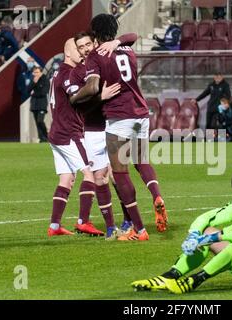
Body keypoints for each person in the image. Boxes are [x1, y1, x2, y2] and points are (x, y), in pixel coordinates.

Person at [70, 14, 169, 240]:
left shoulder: (97, 56)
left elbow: (93, 86)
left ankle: (140, 230)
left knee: (120, 172)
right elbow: (133, 36)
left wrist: (75, 97)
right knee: (141, 160)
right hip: (141, 114)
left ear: (94, 32)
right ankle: (156, 195)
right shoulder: (127, 50)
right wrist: (118, 41)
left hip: (119, 116)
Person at [47, 38, 120, 236]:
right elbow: (78, 98)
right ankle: (84, 221)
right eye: (76, 50)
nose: (81, 53)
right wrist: (100, 97)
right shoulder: (67, 74)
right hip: (70, 133)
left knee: (67, 178)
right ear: (67, 53)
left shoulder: (56, 73)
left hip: (56, 132)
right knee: (89, 173)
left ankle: (54, 226)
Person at [72, 31, 138, 240]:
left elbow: (132, 36)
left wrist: (116, 41)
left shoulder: (106, 61)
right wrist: (101, 97)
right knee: (100, 178)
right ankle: (110, 227)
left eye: (87, 44)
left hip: (114, 125)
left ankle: (129, 220)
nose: (85, 49)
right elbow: (78, 107)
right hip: (92, 130)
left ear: (94, 42)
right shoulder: (76, 74)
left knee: (119, 176)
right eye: (80, 46)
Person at [28, 66, 49, 142]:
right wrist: (34, 83)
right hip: (34, 104)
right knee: (37, 122)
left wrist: (34, 93)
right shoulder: (33, 80)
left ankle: (46, 135)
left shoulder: (45, 79)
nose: (35, 74)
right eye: (34, 72)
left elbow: (44, 92)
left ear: (41, 72)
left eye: (37, 72)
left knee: (40, 120)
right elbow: (28, 89)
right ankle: (41, 138)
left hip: (42, 104)